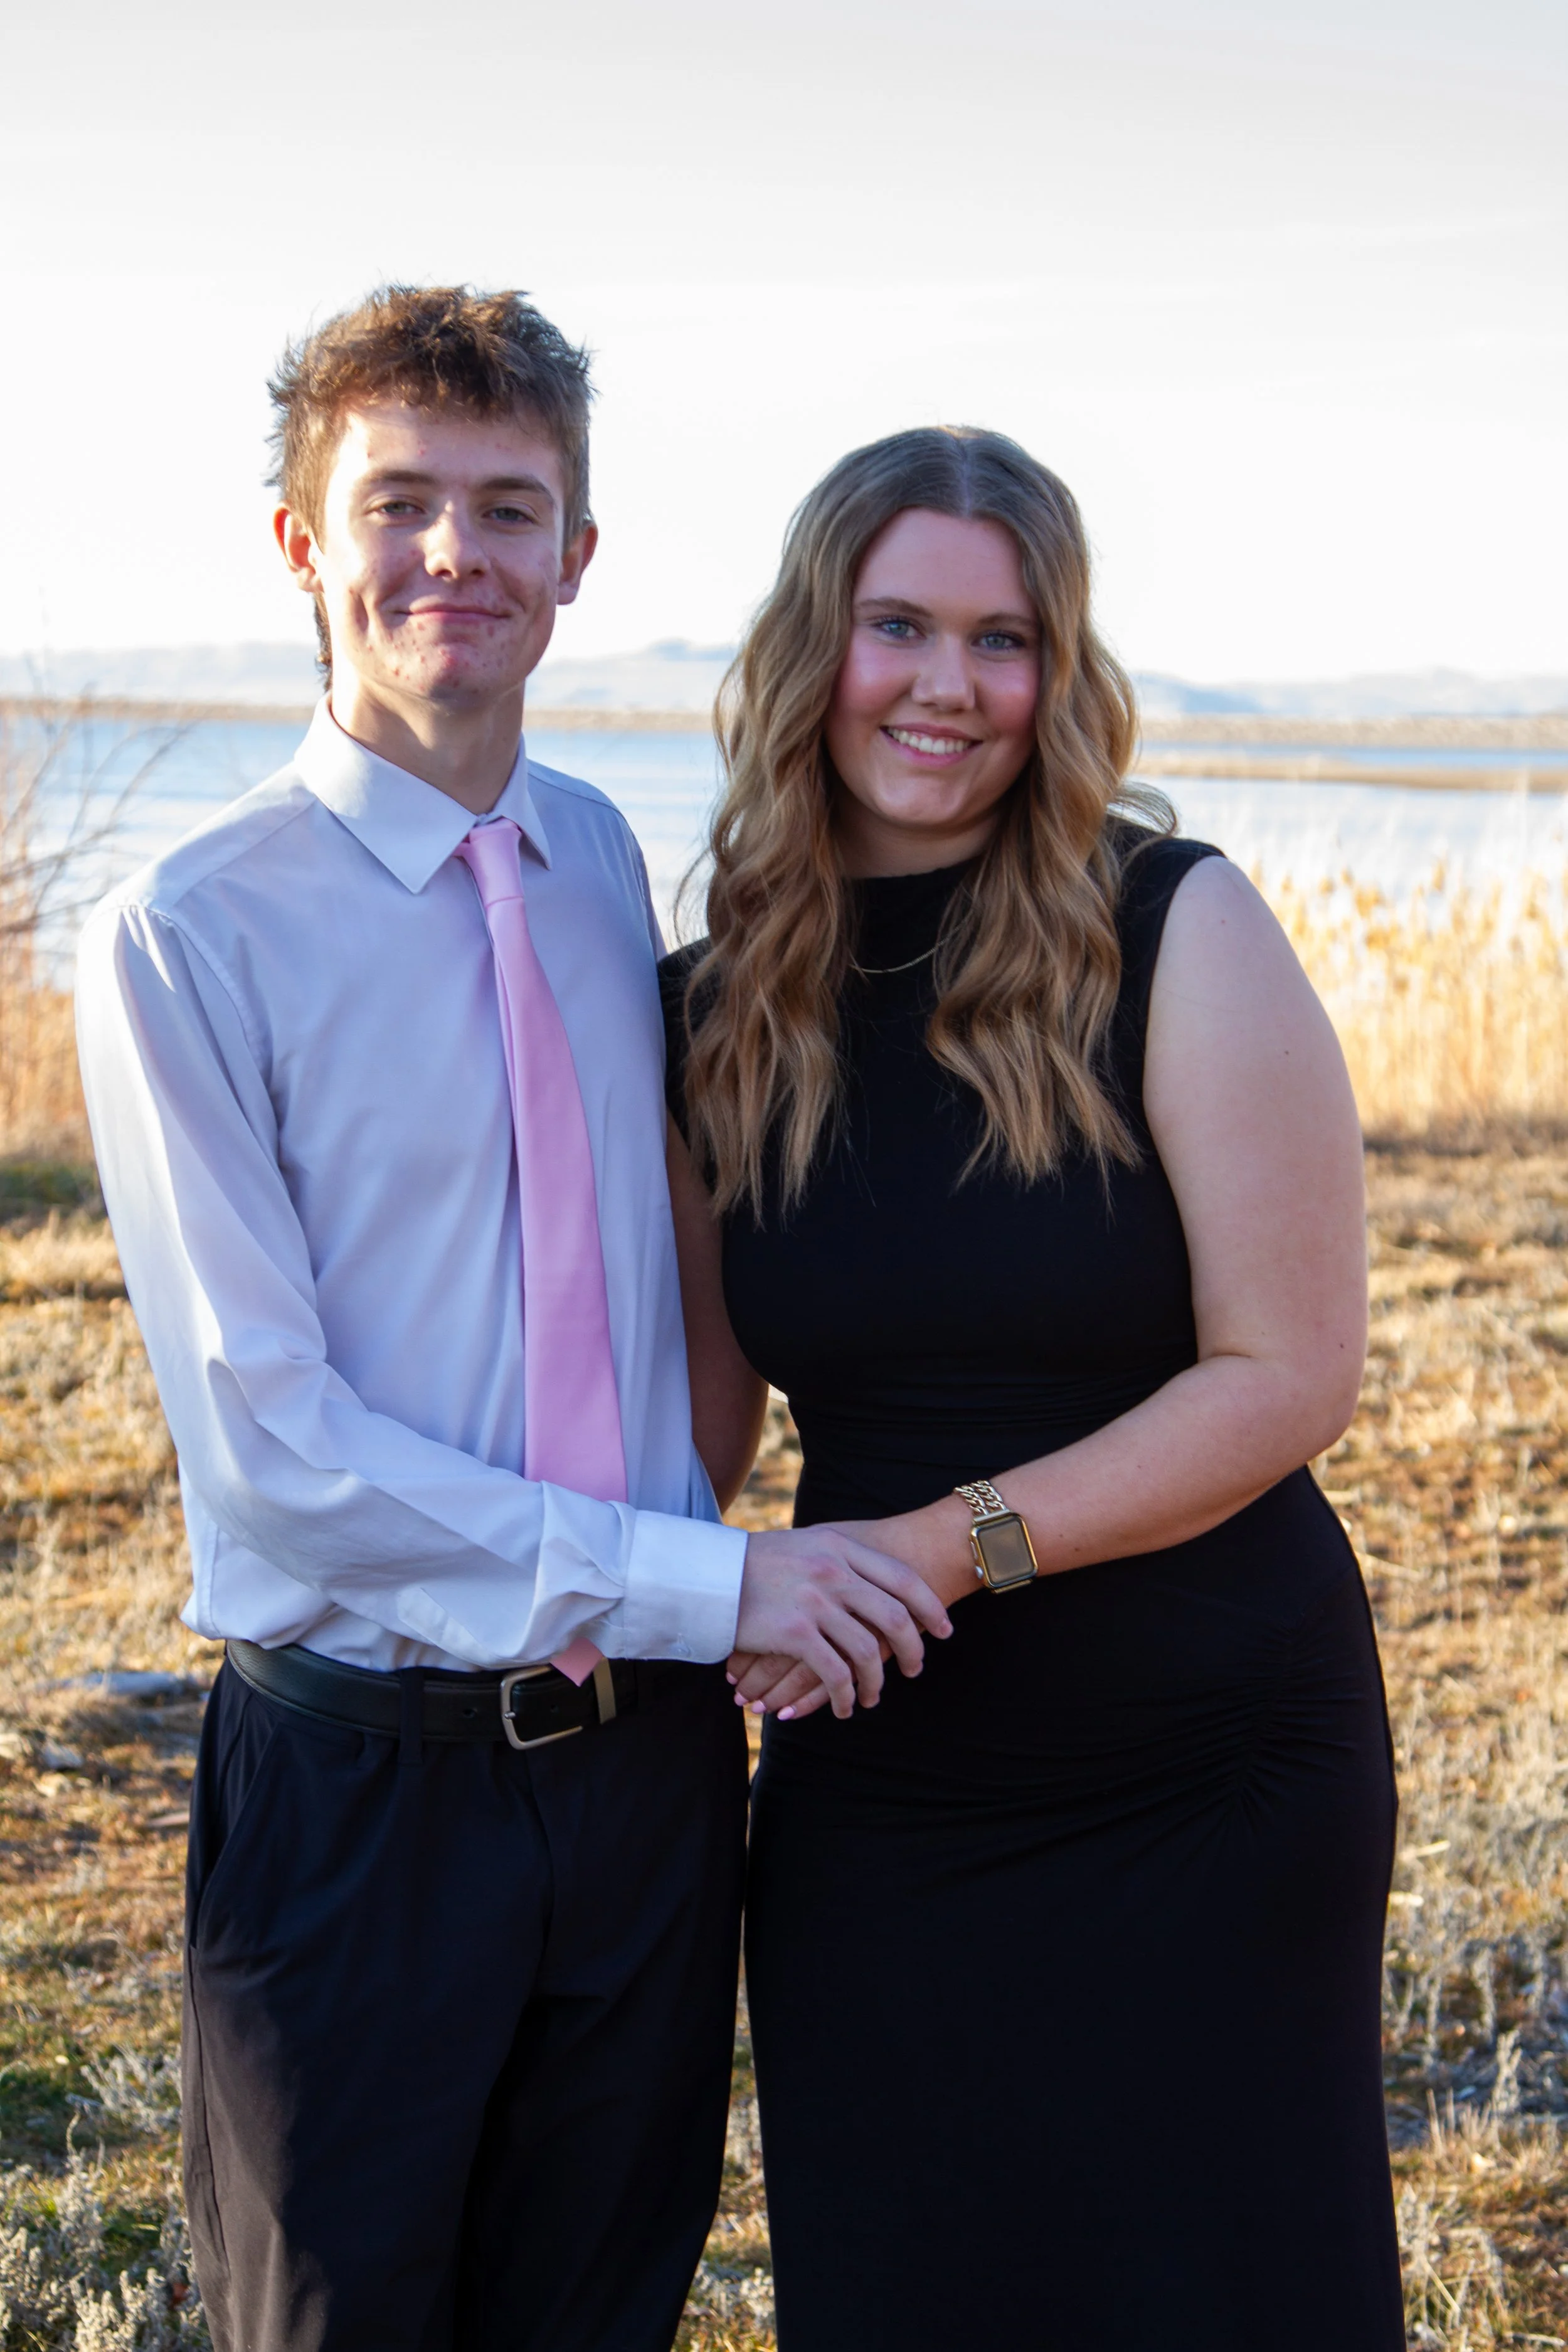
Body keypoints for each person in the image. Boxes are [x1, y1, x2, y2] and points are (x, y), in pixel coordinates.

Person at [74, 287, 948, 2352]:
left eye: (507, 507)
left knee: (600, 2308)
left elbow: (648, 1288)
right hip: (365, 1790)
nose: (452, 554)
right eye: (398, 504)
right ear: (304, 542)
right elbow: (279, 1462)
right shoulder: (192, 932)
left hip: (644, 1788)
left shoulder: (591, 860)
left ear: (577, 560)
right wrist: (703, 1580)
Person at [661, 426, 1404, 2350]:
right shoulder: (712, 1000)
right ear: (810, 645)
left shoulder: (1175, 924)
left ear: (1056, 675)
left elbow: (1288, 1370)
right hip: (886, 1772)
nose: (948, 687)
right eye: (896, 624)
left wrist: (944, 1543)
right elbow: (702, 1426)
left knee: (1220, 2289)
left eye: (1003, 641)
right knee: (906, 2276)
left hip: (1208, 1755)